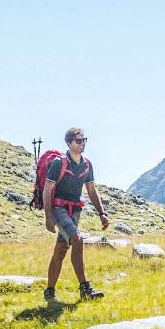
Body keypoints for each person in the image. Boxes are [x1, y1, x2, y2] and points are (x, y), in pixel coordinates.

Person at [42, 127, 110, 303]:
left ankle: (49, 292)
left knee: (61, 248)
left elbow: (92, 191)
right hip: (58, 209)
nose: (82, 144)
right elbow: (47, 190)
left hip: (75, 210)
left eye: (84, 140)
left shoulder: (87, 164)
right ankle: (85, 288)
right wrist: (48, 216)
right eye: (78, 141)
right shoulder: (59, 163)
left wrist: (101, 213)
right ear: (69, 143)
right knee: (77, 239)